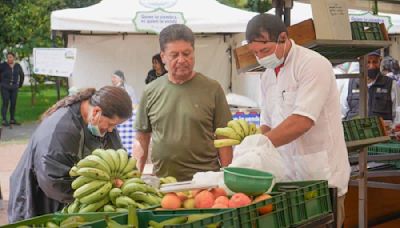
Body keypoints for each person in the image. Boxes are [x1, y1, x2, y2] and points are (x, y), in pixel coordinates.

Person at [245, 14, 350, 227]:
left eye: (264, 51)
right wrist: (254, 156)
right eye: (255, 53)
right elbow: (267, 122)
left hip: (321, 176)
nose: (260, 58)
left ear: (283, 38)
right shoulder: (267, 76)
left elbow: (302, 121)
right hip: (286, 180)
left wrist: (260, 146)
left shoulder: (313, 64)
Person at [8, 86, 132, 222]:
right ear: (96, 111)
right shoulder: (61, 129)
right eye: (111, 124)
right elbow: (54, 181)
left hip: (67, 208)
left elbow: (118, 156)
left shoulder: (101, 122)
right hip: (38, 203)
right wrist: (101, 191)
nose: (111, 130)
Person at [134, 24, 233, 181]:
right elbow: (142, 138)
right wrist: (135, 177)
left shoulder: (212, 88)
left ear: (194, 52)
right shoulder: (150, 91)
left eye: (187, 53)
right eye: (174, 55)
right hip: (164, 181)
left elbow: (224, 136)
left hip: (206, 181)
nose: (182, 60)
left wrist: (227, 175)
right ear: (163, 56)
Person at [345, 50, 399, 122]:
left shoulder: (391, 84)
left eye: (375, 62)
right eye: (368, 62)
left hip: (381, 132)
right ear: (361, 62)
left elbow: (397, 115)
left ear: (380, 61)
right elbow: (343, 111)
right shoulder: (350, 83)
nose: (372, 66)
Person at [0, 52, 25, 126]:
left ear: (14, 58)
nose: (9, 58)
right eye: (8, 57)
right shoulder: (3, 65)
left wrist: (19, 85)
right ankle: (4, 120)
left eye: (10, 57)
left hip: (14, 87)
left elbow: (22, 75)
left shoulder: (17, 66)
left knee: (13, 104)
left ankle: (12, 119)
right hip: (5, 87)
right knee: (5, 103)